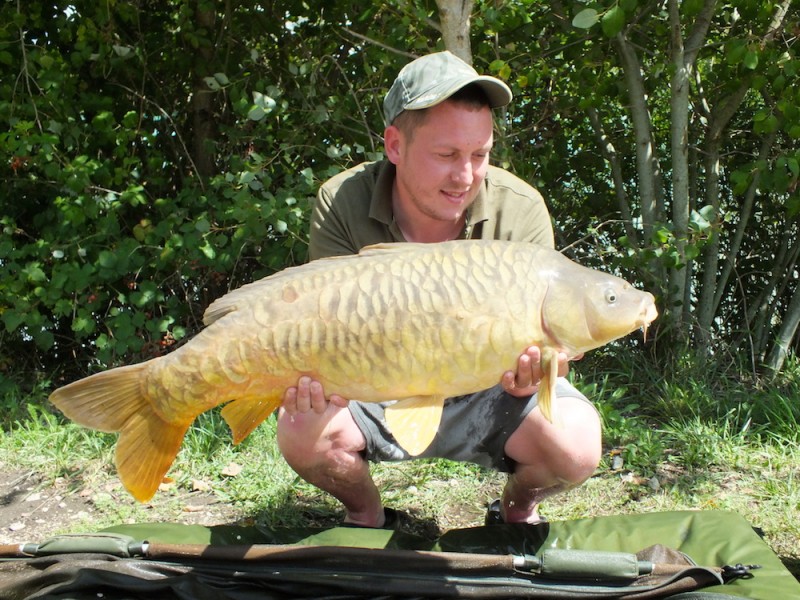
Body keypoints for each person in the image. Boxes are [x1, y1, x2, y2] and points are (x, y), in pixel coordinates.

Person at [276, 51, 602, 528]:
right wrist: (313, 376)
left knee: (575, 446)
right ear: (394, 145)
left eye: (480, 155)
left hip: (488, 387)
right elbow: (325, 325)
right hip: (379, 383)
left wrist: (538, 370)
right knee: (302, 429)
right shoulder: (342, 200)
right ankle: (367, 515)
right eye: (447, 155)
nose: (465, 176)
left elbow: (548, 342)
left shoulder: (522, 209)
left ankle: (515, 510)